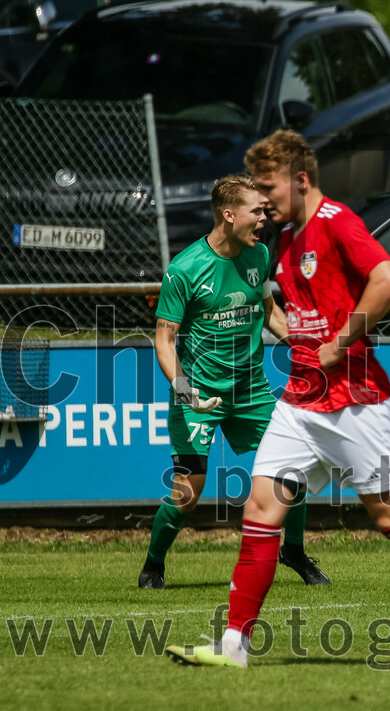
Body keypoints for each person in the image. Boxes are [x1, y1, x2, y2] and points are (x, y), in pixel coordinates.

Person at [166, 131, 390, 668]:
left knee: (389, 516)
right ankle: (233, 644)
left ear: (302, 179)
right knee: (261, 508)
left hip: (355, 396)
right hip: (300, 398)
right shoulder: (283, 241)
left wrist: (342, 338)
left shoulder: (336, 222)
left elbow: (388, 278)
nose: (263, 201)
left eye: (269, 187)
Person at [138, 175, 328, 590]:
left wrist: (310, 348)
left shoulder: (258, 255)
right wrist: (186, 391)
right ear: (229, 214)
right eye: (256, 211)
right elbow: (164, 340)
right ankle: (153, 565)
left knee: (293, 472)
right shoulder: (184, 269)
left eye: (264, 210)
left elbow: (272, 312)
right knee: (189, 491)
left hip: (251, 390)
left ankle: (292, 551)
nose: (264, 217)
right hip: (198, 392)